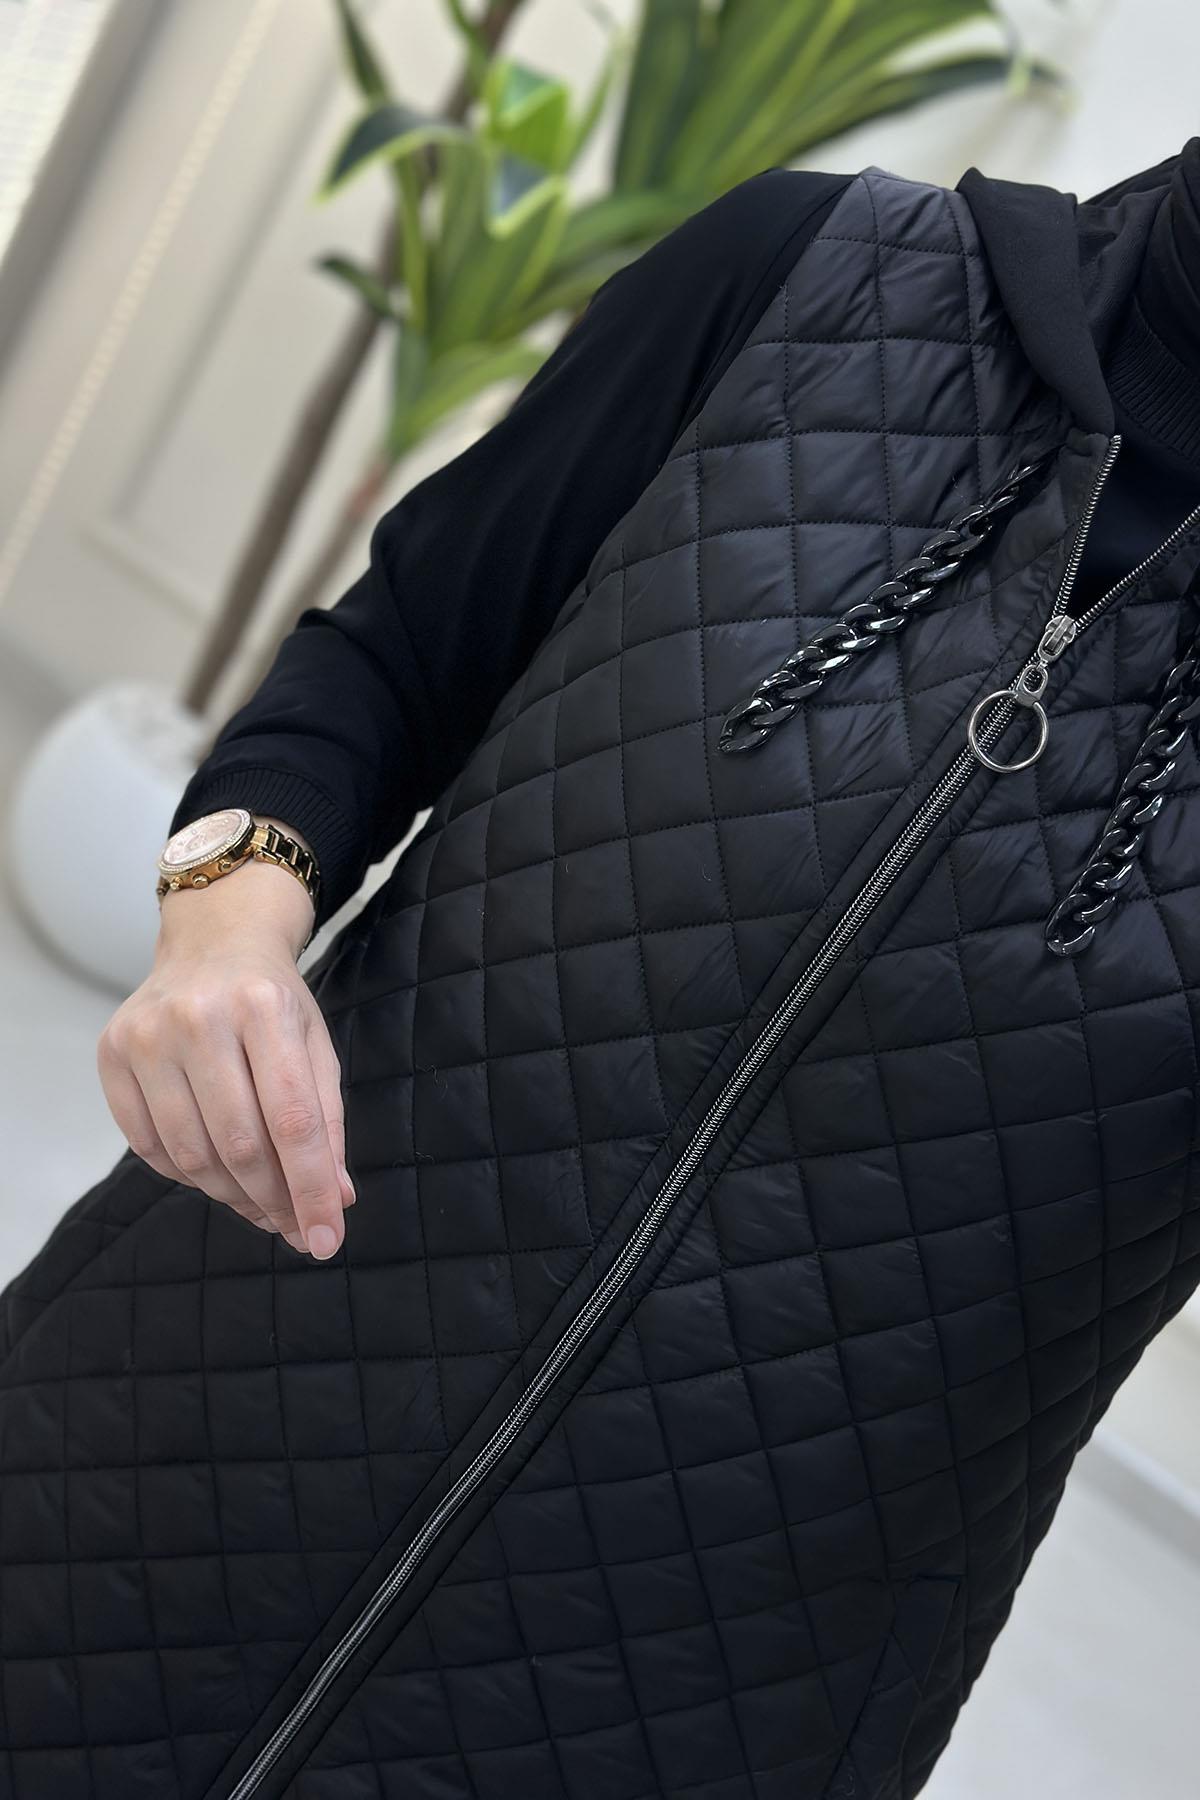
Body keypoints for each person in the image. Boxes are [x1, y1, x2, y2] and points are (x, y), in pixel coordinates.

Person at [3, 139, 1199, 1800]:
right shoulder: (821, 270)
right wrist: (225, 912)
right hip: (170, 1415)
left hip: (709, 1698)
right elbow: (395, 652)